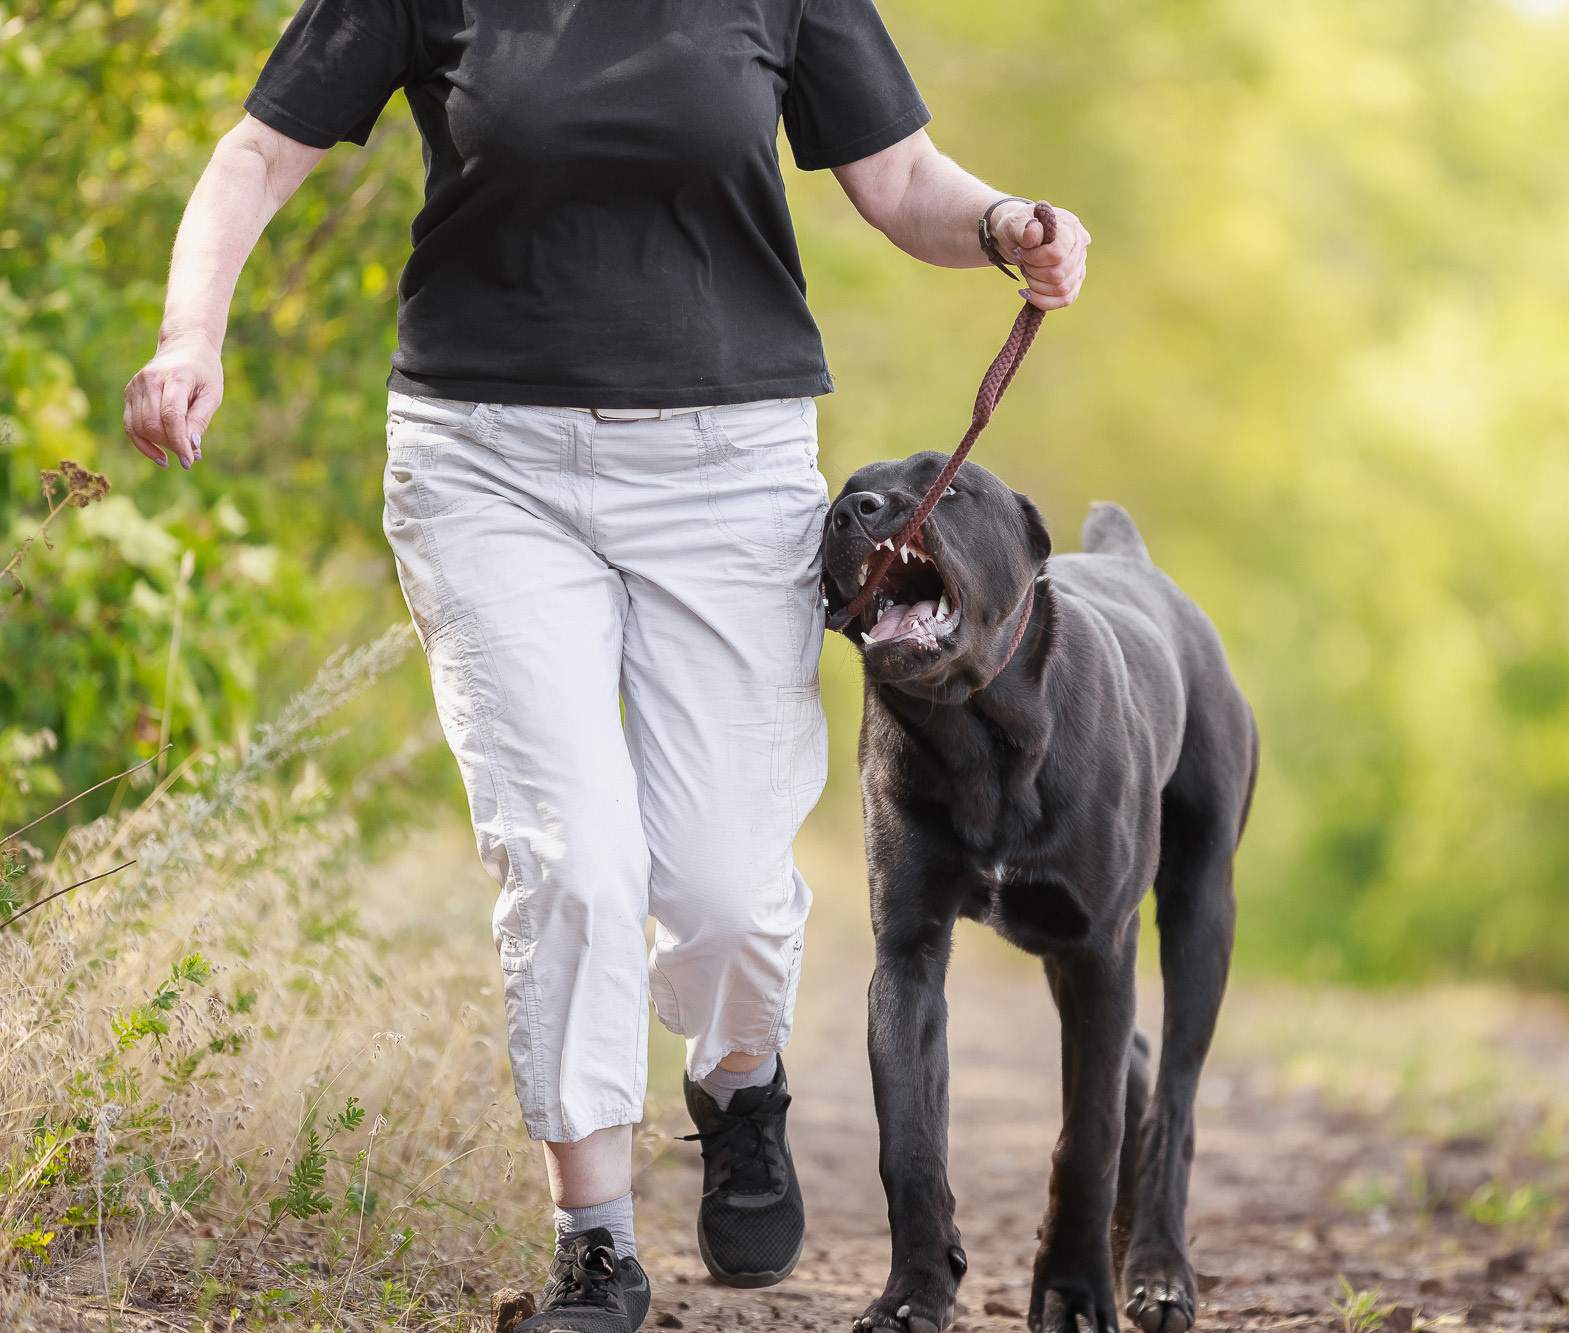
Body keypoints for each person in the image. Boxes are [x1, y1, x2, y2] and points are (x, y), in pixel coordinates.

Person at [121, 2, 1089, 1328]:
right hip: (484, 465)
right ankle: (594, 1239)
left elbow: (903, 177)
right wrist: (191, 333)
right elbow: (257, 153)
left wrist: (1002, 226)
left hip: (728, 465)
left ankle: (738, 1080)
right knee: (571, 857)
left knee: (726, 885)